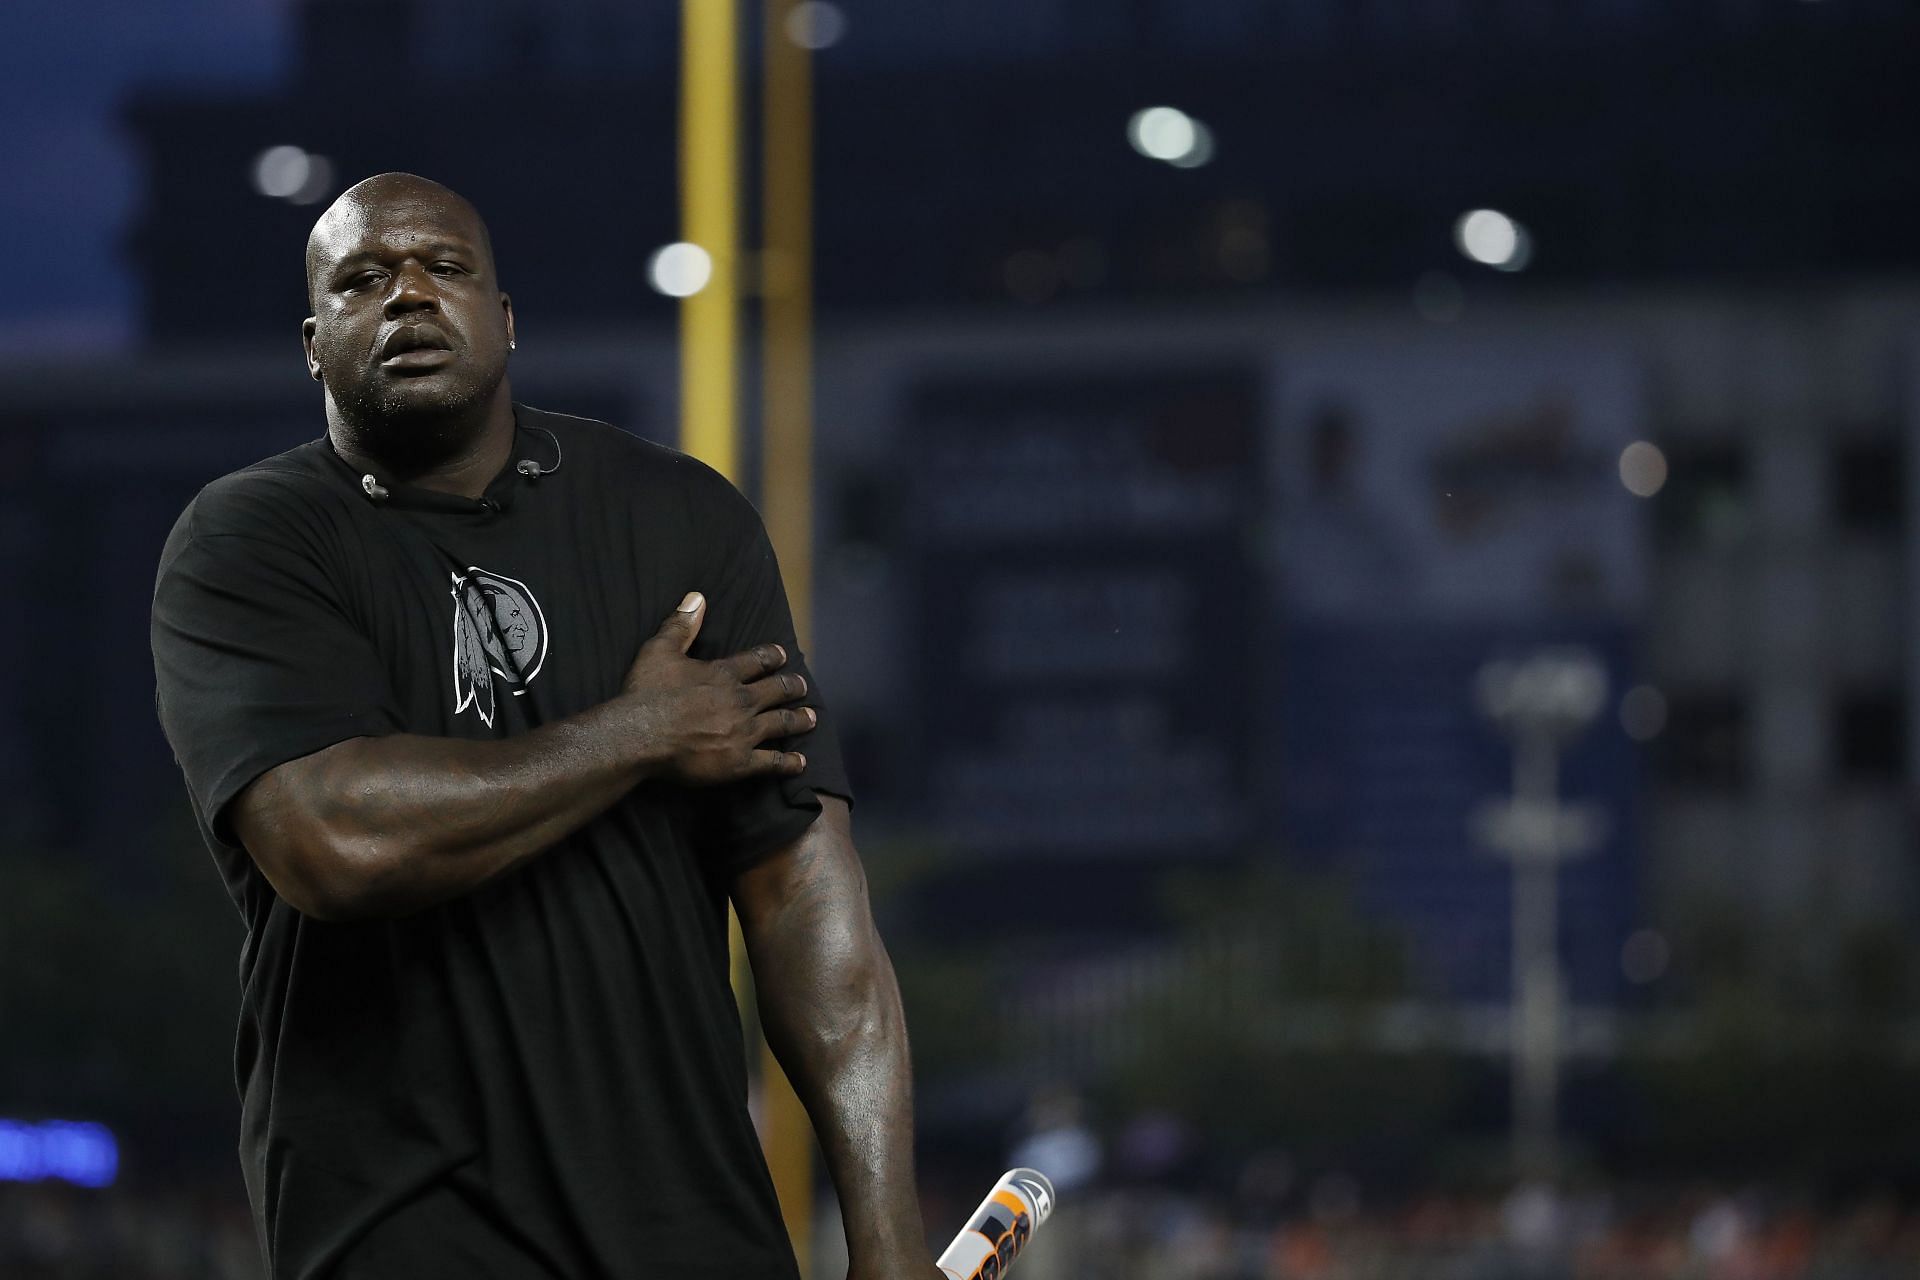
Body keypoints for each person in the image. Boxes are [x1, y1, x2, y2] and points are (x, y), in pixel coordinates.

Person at [150, 172, 939, 1280]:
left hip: (689, 1223)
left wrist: (889, 1245)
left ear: (505, 318)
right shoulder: (250, 540)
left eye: (446, 268)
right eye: (365, 279)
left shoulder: (679, 515)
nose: (410, 295)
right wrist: (638, 731)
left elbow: (804, 891)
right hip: (396, 1223)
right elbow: (334, 841)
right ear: (314, 341)